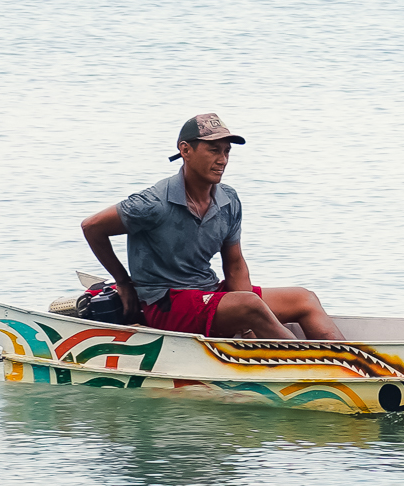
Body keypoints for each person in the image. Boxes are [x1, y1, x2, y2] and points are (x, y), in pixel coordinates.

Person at [80, 113, 344, 341]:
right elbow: (92, 227)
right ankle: (312, 366)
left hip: (206, 294)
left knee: (304, 298)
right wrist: (124, 282)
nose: (223, 160)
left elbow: (235, 264)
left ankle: (352, 362)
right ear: (185, 150)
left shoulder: (228, 200)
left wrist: (246, 321)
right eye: (213, 150)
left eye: (226, 151)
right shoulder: (152, 203)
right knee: (249, 304)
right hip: (165, 304)